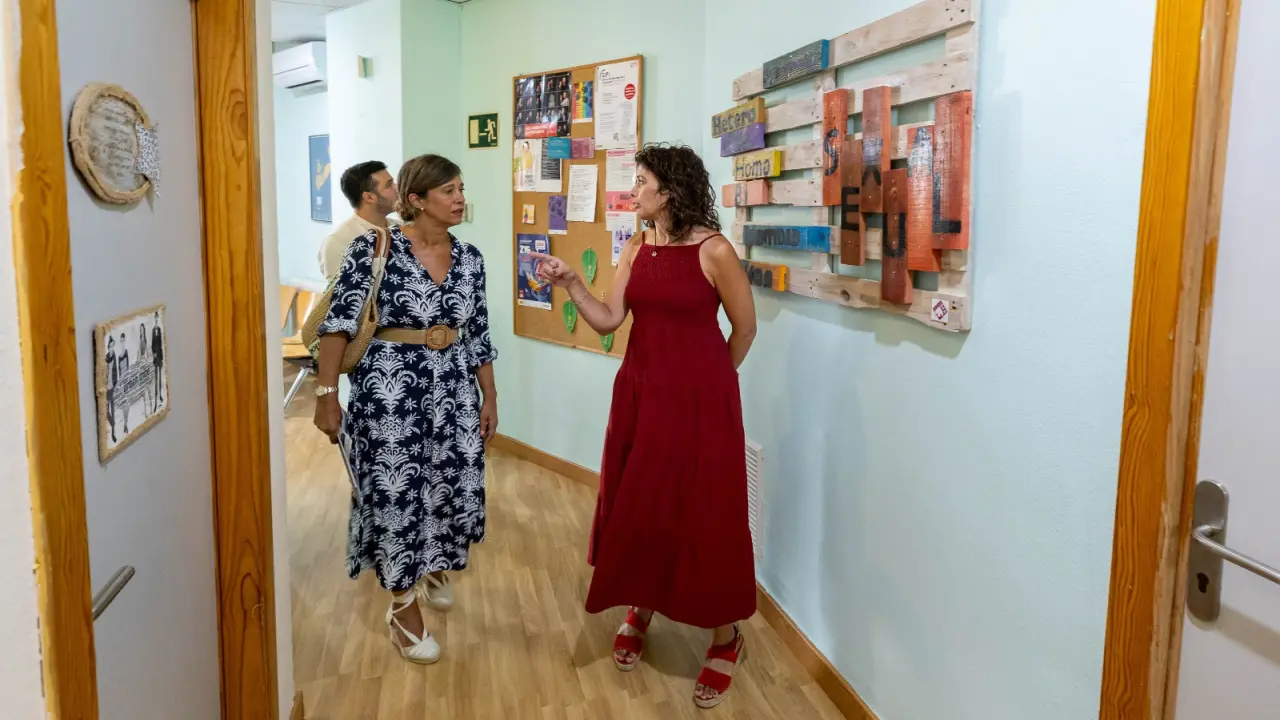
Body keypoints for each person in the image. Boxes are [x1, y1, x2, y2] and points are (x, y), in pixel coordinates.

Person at [532, 143, 758, 709]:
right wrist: (572, 283)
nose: (632, 191)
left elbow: (745, 329)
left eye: (641, 182)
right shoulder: (637, 245)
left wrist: (709, 385)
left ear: (670, 191)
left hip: (700, 405)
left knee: (704, 511)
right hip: (639, 396)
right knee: (640, 504)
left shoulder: (715, 251)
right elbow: (610, 318)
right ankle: (642, 604)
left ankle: (725, 636)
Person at [312, 153, 499, 665]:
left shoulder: (471, 258)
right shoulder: (374, 249)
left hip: (455, 392)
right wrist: (326, 395)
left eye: (461, 188)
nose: (460, 199)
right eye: (449, 191)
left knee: (445, 486)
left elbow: (478, 332)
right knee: (395, 494)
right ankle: (401, 608)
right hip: (391, 395)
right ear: (416, 200)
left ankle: (432, 564)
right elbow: (338, 324)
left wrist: (489, 395)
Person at [317, 160, 400, 280]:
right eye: (389, 185)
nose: (397, 188)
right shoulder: (339, 242)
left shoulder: (401, 228)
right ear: (369, 197)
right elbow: (342, 290)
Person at [151, 311, 165, 411]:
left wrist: (162, 357)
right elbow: (152, 345)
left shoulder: (159, 329)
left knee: (160, 379)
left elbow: (161, 344)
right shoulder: (153, 330)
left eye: (157, 317)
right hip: (155, 358)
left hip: (160, 357)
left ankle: (160, 396)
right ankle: (155, 401)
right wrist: (154, 354)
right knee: (156, 379)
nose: (156, 319)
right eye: (155, 318)